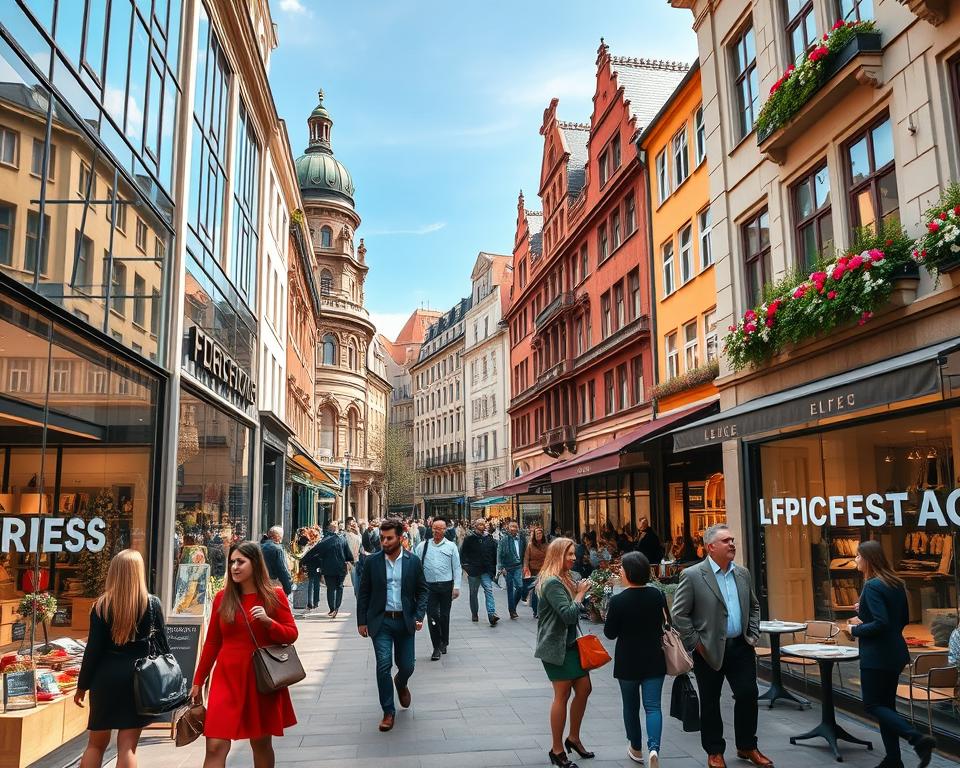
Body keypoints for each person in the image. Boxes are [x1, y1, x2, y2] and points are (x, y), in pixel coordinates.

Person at [671, 524, 771, 768]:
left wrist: (753, 633)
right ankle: (714, 751)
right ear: (710, 547)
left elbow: (754, 606)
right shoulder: (693, 575)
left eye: (733, 540)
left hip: (740, 647)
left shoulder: (742, 573)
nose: (732, 544)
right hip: (709, 650)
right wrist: (696, 644)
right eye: (726, 541)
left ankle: (747, 746)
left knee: (748, 694)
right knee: (710, 700)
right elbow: (679, 614)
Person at [191, 541, 298, 768]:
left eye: (241, 561)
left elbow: (291, 634)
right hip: (226, 679)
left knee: (260, 744)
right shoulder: (223, 598)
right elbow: (212, 642)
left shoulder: (274, 595)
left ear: (255, 563)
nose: (234, 567)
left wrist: (269, 623)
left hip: (260, 680)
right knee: (215, 745)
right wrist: (198, 680)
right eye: (232, 562)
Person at [848, 541, 936, 768]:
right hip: (895, 653)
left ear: (868, 559)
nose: (855, 560)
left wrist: (854, 629)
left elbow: (881, 623)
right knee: (886, 706)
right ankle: (893, 759)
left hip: (877, 656)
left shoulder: (872, 586)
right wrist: (864, 610)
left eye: (858, 556)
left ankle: (917, 738)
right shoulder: (896, 583)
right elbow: (901, 619)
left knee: (872, 705)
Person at [75, 550, 163, 768]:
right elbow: (162, 646)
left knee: (95, 745)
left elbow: (92, 651)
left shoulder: (101, 606)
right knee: (127, 746)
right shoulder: (151, 604)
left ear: (113, 572)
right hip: (137, 680)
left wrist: (81, 686)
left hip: (105, 679)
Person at [356, 518, 428, 732]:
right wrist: (361, 621)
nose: (384, 542)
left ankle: (401, 682)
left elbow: (422, 590)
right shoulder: (372, 562)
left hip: (405, 621)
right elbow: (364, 593)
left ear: (400, 538)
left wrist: (419, 615)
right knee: (383, 666)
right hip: (381, 621)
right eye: (382, 538)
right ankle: (388, 711)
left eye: (389, 538)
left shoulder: (413, 561)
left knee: (407, 666)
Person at [535, 537, 594, 768]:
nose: (574, 558)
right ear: (558, 555)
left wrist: (585, 593)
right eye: (569, 554)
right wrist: (579, 594)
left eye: (574, 554)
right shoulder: (551, 583)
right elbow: (568, 615)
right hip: (556, 647)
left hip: (571, 645)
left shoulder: (567, 577)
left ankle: (574, 738)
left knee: (585, 688)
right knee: (562, 696)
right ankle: (557, 749)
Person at [604, 552, 666, 767]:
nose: (619, 571)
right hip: (654, 659)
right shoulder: (657, 595)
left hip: (628, 661)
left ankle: (636, 748)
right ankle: (654, 749)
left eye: (621, 568)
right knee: (653, 707)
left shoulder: (618, 600)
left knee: (630, 707)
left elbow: (610, 633)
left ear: (629, 573)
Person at [416, 518, 462, 660]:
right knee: (432, 616)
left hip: (446, 586)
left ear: (445, 530)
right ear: (431, 528)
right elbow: (415, 566)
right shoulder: (422, 546)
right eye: (435, 528)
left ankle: (444, 641)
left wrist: (457, 587)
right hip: (429, 587)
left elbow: (457, 567)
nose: (437, 531)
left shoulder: (451, 546)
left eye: (440, 528)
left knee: (444, 616)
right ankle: (436, 646)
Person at [303, 522, 354, 617]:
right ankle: (337, 607)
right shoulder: (343, 539)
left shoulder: (325, 541)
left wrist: (302, 560)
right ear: (337, 529)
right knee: (339, 587)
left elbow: (314, 552)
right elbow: (348, 554)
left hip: (328, 568)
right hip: (341, 568)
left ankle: (332, 608)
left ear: (329, 529)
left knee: (331, 588)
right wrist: (349, 561)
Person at [460, 517, 500, 625]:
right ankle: (474, 613)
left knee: (489, 590)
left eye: (484, 524)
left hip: (486, 570)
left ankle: (491, 614)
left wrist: (493, 569)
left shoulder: (489, 538)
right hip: (473, 570)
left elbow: (494, 554)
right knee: (473, 593)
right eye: (480, 524)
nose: (483, 526)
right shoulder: (469, 539)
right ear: (475, 526)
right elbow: (462, 553)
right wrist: (466, 567)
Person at [497, 520, 526, 619]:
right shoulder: (504, 539)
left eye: (515, 526)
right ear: (508, 528)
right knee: (509, 590)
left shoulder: (522, 539)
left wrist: (524, 565)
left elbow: (525, 553)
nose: (513, 528)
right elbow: (499, 554)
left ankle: (513, 606)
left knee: (520, 587)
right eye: (511, 526)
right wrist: (501, 568)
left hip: (518, 566)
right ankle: (512, 611)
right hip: (508, 567)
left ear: (518, 528)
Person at [523, 526, 548, 618]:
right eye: (537, 533)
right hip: (534, 571)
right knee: (535, 591)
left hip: (544, 570)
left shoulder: (547, 545)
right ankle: (535, 610)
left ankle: (542, 609)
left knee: (543, 591)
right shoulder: (530, 545)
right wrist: (526, 568)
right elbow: (526, 558)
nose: (539, 535)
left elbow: (550, 558)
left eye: (540, 533)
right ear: (534, 535)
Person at [260, 526, 293, 597]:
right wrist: (288, 588)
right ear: (278, 537)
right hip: (272, 584)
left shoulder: (258, 546)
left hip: (259, 583)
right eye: (281, 537)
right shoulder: (277, 549)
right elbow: (282, 570)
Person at [345, 520, 363, 592]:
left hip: (347, 559)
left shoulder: (345, 536)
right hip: (355, 559)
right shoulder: (358, 537)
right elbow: (361, 549)